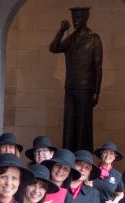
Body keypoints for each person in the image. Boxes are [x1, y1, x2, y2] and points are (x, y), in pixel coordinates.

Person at [49, 7, 103, 152]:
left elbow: (98, 67)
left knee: (82, 127)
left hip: (86, 89)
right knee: (69, 126)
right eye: (74, 18)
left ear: (86, 18)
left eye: (79, 17)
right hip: (70, 87)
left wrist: (96, 92)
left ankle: (82, 157)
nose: (76, 20)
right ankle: (67, 157)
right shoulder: (71, 38)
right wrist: (61, 30)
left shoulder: (93, 38)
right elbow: (54, 47)